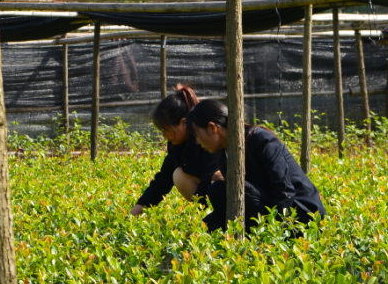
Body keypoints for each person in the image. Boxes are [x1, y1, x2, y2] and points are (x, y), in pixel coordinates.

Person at [187, 98, 324, 233]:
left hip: (301, 214)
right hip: (271, 205)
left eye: (197, 135)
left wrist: (279, 232)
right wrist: (203, 228)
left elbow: (284, 190)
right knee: (217, 190)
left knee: (230, 188)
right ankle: (237, 240)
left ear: (212, 128)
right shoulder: (225, 153)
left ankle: (258, 239)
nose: (198, 142)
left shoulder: (260, 139)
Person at [130, 84, 222, 216]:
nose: (164, 135)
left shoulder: (206, 140)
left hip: (223, 190)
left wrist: (198, 217)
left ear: (183, 123)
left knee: (215, 179)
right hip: (207, 192)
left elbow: (209, 177)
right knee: (178, 174)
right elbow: (162, 182)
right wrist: (134, 214)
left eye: (166, 130)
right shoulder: (177, 145)